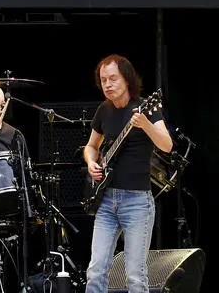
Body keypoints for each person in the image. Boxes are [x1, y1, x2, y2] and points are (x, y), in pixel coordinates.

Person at [83, 55, 172, 293]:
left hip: (137, 202)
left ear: (127, 79)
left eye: (113, 78)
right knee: (95, 271)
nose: (108, 84)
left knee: (135, 276)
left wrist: (146, 125)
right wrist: (92, 162)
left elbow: (167, 145)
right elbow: (91, 146)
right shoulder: (104, 110)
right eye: (103, 80)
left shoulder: (146, 108)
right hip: (106, 201)